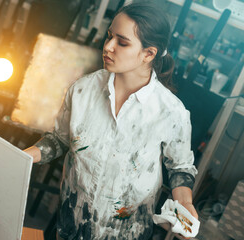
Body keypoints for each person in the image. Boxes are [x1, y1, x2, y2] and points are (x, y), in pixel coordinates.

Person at [24, 2, 198, 239]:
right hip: (71, 225)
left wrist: (184, 206)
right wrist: (23, 157)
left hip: (128, 232)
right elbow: (60, 139)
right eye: (109, 37)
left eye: (122, 42)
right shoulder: (82, 90)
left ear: (149, 53)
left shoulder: (171, 112)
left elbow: (179, 168)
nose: (108, 47)